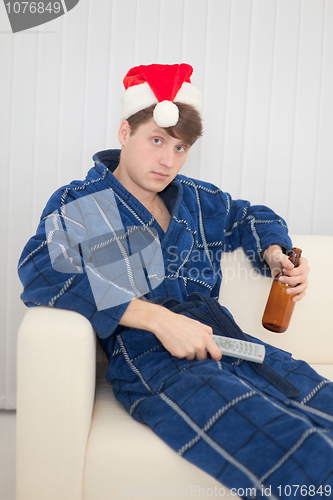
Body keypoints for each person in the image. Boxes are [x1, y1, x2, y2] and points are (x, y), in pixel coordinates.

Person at [18, 64, 332, 499]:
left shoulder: (198, 199)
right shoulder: (83, 202)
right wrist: (156, 319)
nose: (168, 160)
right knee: (298, 448)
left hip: (227, 338)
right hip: (152, 355)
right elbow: (41, 269)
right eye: (157, 140)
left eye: (180, 147)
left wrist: (275, 253)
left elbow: (249, 215)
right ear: (125, 132)